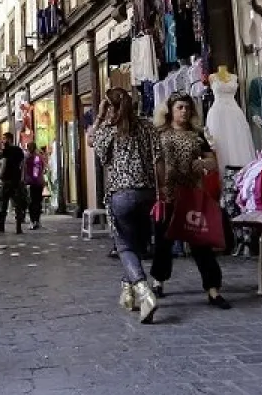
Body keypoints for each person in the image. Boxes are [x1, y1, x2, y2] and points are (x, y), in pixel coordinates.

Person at [150, 93, 229, 309]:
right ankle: (158, 281)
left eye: (187, 108)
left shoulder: (197, 135)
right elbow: (154, 163)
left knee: (200, 241)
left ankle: (213, 290)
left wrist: (204, 163)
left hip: (192, 194)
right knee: (163, 242)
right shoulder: (159, 134)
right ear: (170, 111)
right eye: (179, 108)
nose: (184, 112)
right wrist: (158, 188)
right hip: (168, 194)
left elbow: (212, 161)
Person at [90, 86, 161, 323]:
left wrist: (99, 116)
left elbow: (92, 141)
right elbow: (158, 160)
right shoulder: (148, 126)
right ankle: (127, 292)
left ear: (109, 107)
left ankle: (143, 291)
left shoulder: (109, 131)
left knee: (124, 246)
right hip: (147, 194)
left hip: (121, 195)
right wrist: (161, 193)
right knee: (136, 243)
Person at [0, 136, 28, 234]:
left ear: (9, 140)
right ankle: (18, 227)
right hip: (16, 180)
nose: (3, 141)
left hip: (7, 180)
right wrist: (22, 178)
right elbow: (23, 165)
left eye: (4, 139)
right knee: (18, 204)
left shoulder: (7, 150)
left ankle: (1, 225)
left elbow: (3, 165)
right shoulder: (19, 150)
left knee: (4, 203)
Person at [24, 144, 48, 230]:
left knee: (34, 202)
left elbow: (36, 170)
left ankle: (34, 221)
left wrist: (29, 179)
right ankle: (35, 221)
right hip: (35, 182)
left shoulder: (32, 157)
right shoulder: (33, 157)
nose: (28, 149)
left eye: (29, 148)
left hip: (33, 183)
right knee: (35, 202)